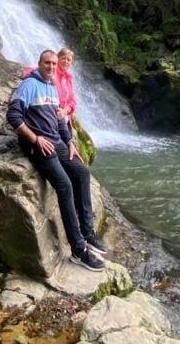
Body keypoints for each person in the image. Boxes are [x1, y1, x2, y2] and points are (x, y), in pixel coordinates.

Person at [6, 49, 108, 272]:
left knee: (82, 173)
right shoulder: (29, 85)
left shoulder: (51, 87)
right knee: (65, 186)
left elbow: (59, 120)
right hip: (39, 146)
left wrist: (70, 141)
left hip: (58, 143)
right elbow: (13, 116)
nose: (51, 67)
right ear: (39, 63)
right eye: (47, 63)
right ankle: (78, 251)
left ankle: (87, 232)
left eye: (54, 63)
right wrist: (36, 139)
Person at [55, 47, 77, 127]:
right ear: (57, 59)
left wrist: (66, 111)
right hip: (53, 115)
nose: (66, 61)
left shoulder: (68, 78)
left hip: (64, 116)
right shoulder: (51, 72)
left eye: (69, 60)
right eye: (63, 58)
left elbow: (73, 100)